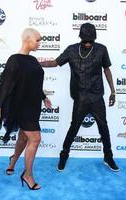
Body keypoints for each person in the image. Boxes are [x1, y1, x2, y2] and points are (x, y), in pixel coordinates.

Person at [41, 23, 119, 172]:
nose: (88, 43)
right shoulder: (71, 50)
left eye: (91, 40)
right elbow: (55, 63)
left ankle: (108, 157)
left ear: (95, 38)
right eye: (85, 40)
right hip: (80, 97)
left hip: (96, 97)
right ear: (80, 38)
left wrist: (113, 91)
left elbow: (107, 70)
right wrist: (36, 63)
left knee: (104, 128)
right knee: (74, 127)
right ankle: (63, 156)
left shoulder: (102, 49)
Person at [0, 28, 52, 190]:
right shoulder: (14, 60)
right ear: (27, 39)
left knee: (23, 137)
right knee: (35, 138)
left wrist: (44, 97)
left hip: (34, 106)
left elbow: (34, 84)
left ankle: (13, 161)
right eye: (38, 40)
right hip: (21, 106)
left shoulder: (33, 60)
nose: (39, 43)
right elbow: (5, 85)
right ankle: (27, 175)